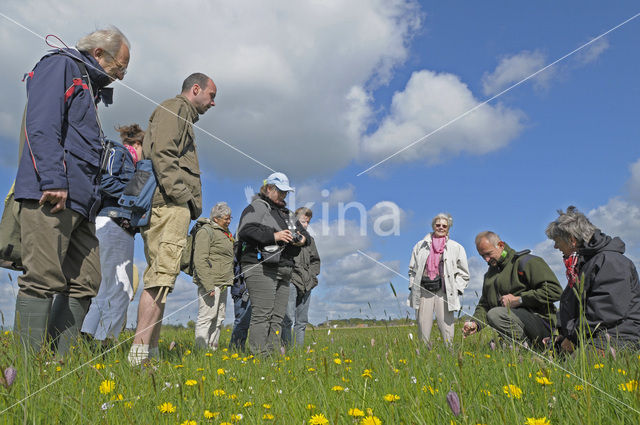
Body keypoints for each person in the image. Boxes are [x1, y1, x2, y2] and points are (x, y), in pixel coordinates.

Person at [12, 27, 130, 356]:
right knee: (42, 277)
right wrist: (51, 179)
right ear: (99, 54)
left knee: (87, 281)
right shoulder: (60, 66)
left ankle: (57, 364)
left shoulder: (88, 86)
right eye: (119, 68)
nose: (119, 77)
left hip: (83, 204)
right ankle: (24, 373)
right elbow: (42, 122)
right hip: (51, 194)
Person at [128, 73, 216, 365]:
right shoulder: (174, 108)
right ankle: (138, 358)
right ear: (195, 89)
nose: (212, 103)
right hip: (169, 205)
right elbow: (163, 153)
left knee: (162, 280)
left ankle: (147, 354)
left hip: (170, 205)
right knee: (159, 278)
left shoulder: (181, 115)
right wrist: (182, 196)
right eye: (211, 95)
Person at [81, 124, 144, 346]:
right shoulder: (119, 152)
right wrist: (136, 194)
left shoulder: (124, 156)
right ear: (138, 143)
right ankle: (105, 343)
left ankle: (88, 339)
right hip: (115, 222)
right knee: (121, 288)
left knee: (106, 288)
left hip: (113, 223)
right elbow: (104, 180)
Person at [545, 206, 640, 353]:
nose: (556, 246)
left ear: (572, 240)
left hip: (618, 336)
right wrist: (564, 337)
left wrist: (573, 338)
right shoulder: (584, 264)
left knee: (575, 368)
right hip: (590, 335)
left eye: (557, 241)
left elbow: (605, 311)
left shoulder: (610, 261)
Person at [236, 172, 309, 356]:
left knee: (277, 317)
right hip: (261, 267)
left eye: (286, 192)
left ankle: (273, 356)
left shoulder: (287, 214)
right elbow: (245, 230)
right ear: (269, 188)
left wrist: (300, 240)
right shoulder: (257, 207)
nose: (284, 195)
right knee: (262, 315)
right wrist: (274, 236)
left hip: (284, 269)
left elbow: (305, 237)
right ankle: (259, 357)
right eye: (280, 191)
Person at [462, 231, 562, 348]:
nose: (486, 259)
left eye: (488, 254)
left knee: (495, 314)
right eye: (482, 256)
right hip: (515, 326)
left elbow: (554, 290)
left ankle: (530, 349)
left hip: (541, 324)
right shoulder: (489, 276)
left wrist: (520, 300)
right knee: (492, 348)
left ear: (500, 245)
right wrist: (475, 323)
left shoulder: (527, 262)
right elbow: (484, 305)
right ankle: (516, 347)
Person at [408, 213, 469, 346]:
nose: (441, 227)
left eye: (444, 226)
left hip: (445, 291)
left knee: (446, 326)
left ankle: (449, 353)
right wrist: (413, 287)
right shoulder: (420, 245)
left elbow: (464, 273)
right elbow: (412, 270)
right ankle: (423, 353)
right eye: (438, 225)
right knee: (423, 326)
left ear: (448, 228)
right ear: (433, 226)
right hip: (424, 290)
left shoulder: (456, 247)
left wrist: (456, 289)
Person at [193, 202, 234, 350]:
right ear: (216, 219)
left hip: (223, 282)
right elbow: (200, 259)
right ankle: (200, 352)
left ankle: (212, 350)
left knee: (219, 318)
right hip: (211, 282)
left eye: (230, 218)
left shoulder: (225, 233)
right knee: (206, 317)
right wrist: (208, 285)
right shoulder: (206, 231)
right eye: (226, 218)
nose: (229, 221)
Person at [281, 207, 321, 348]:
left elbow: (316, 260)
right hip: (291, 280)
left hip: (307, 282)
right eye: (303, 221)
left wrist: (312, 275)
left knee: (302, 320)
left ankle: (299, 351)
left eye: (308, 222)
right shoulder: (286, 237)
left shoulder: (311, 241)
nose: (305, 225)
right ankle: (286, 350)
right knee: (287, 319)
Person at [229, 256, 251, 352]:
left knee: (245, 323)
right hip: (241, 289)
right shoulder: (240, 247)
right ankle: (235, 350)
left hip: (246, 288)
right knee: (241, 321)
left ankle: (240, 349)